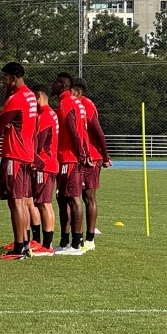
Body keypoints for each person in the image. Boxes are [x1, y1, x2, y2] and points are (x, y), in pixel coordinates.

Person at [0, 61, 39, 260]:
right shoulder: (30, 95)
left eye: (4, 78)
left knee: (16, 202)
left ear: (13, 78)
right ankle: (25, 244)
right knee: (21, 201)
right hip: (26, 154)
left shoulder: (16, 98)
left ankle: (19, 247)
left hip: (14, 154)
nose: (2, 82)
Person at [54, 73, 90, 256]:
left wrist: (81, 153)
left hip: (68, 157)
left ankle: (76, 244)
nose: (52, 85)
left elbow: (73, 130)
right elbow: (82, 131)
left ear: (61, 85)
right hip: (70, 156)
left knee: (72, 199)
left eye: (55, 83)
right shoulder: (76, 102)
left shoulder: (66, 102)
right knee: (64, 198)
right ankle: (66, 241)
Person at [74, 78, 111, 251]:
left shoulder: (86, 106)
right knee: (76, 197)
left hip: (91, 158)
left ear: (79, 92)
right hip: (81, 157)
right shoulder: (76, 105)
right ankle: (77, 237)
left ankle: (89, 238)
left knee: (89, 197)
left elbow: (99, 132)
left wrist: (104, 156)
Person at [30, 84, 58, 257]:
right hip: (48, 163)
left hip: (44, 164)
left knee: (44, 203)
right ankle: (39, 242)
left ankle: (47, 245)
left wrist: (33, 159)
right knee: (39, 202)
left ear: (39, 96)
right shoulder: (51, 114)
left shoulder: (45, 115)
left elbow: (39, 142)